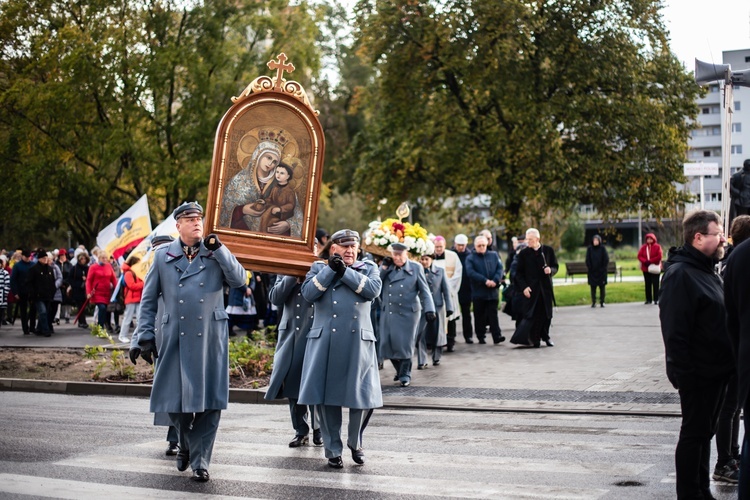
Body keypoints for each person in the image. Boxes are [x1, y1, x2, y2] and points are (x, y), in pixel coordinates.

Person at [129, 201, 245, 482]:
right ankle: (185, 442)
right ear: (177, 225)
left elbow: (239, 280)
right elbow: (148, 302)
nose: (196, 222)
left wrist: (220, 249)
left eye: (198, 218)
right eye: (189, 219)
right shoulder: (161, 257)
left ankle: (201, 461)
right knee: (174, 401)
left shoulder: (216, 252)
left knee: (211, 403)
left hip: (210, 339)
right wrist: (144, 334)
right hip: (175, 337)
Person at [659, 209, 733, 499]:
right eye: (718, 235)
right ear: (698, 237)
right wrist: (684, 375)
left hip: (716, 372)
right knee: (693, 436)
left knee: (704, 435)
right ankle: (690, 493)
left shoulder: (704, 270)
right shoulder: (680, 274)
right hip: (698, 374)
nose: (723, 240)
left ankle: (702, 490)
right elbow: (675, 332)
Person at [297, 229, 383, 468]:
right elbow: (309, 294)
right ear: (333, 248)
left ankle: (355, 443)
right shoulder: (318, 268)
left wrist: (344, 272)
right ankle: (333, 449)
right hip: (326, 342)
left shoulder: (368, 268)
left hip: (358, 342)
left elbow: (372, 291)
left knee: (362, 396)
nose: (350, 250)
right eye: (344, 246)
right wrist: (330, 270)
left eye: (353, 246)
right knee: (327, 399)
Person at [265, 273, 322, 448]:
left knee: (314, 382)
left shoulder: (320, 268)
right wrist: (291, 278)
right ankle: (300, 430)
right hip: (290, 334)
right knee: (292, 382)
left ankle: (319, 428)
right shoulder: (284, 271)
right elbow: (275, 298)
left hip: (314, 330)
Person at [219, 130, 303, 237]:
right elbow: (223, 209)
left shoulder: (282, 184)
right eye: (268, 157)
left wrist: (287, 224)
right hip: (242, 236)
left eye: (274, 162)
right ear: (258, 155)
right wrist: (242, 210)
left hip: (272, 237)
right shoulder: (238, 181)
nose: (270, 164)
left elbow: (298, 215)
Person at [718, 215, 750, 487]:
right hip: (732, 350)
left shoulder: (731, 260)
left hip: (735, 347)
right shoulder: (735, 262)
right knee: (730, 408)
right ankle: (725, 459)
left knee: (734, 407)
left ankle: (733, 455)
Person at [378, 242, 435, 387]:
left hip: (408, 314)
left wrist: (430, 309)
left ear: (406, 254)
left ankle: (405, 374)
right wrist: (383, 268)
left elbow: (424, 291)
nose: (397, 258)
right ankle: (400, 370)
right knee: (387, 345)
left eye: (400, 255)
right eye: (394, 254)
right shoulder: (387, 268)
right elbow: (375, 284)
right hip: (390, 312)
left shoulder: (416, 268)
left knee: (405, 345)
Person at [515, 228, 558, 348]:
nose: (527, 242)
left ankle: (546, 336)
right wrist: (524, 287)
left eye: (530, 239)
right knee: (534, 315)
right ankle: (535, 338)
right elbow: (518, 274)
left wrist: (551, 270)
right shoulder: (524, 254)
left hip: (545, 288)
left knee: (546, 314)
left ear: (537, 239)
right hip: (531, 289)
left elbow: (555, 266)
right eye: (527, 239)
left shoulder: (548, 251)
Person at [464, 235, 505, 345]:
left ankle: (497, 336)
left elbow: (500, 269)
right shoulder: (470, 258)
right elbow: (471, 272)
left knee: (493, 315)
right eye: (479, 245)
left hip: (492, 291)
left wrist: (495, 280)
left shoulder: (494, 255)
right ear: (475, 246)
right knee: (479, 315)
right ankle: (480, 335)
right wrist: (485, 281)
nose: (481, 247)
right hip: (479, 291)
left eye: (483, 245)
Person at [417, 253, 453, 367]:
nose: (424, 261)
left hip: (438, 307)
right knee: (420, 334)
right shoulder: (417, 271)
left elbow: (446, 291)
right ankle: (422, 360)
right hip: (422, 307)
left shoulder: (440, 271)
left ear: (432, 260)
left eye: (426, 259)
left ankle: (436, 357)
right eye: (422, 259)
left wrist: (449, 307)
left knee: (438, 333)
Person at [433, 236, 462, 352]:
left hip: (449, 292)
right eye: (436, 247)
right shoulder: (429, 257)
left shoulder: (453, 256)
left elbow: (458, 273)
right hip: (435, 294)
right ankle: (435, 341)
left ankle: (450, 341)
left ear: (444, 246)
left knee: (450, 317)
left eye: (440, 247)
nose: (439, 249)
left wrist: (446, 286)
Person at [256, 163, 296, 236]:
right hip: (273, 212)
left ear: (288, 176)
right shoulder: (275, 188)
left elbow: (291, 205)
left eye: (282, 173)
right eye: (277, 172)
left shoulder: (289, 191)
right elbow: (270, 199)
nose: (278, 175)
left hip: (282, 215)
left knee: (267, 218)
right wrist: (264, 201)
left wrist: (280, 209)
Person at [27, 249, 57, 337]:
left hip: (48, 295)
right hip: (38, 296)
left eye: (46, 258)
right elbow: (29, 283)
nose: (45, 259)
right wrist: (32, 294)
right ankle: (46, 330)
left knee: (44, 313)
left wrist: (52, 292)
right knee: (43, 312)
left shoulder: (50, 269)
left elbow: (52, 282)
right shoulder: (34, 269)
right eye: (43, 258)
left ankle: (39, 329)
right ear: (39, 258)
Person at [86, 251, 117, 333]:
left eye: (106, 258)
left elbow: (113, 278)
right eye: (103, 258)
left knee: (106, 310)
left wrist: (116, 288)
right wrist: (88, 292)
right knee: (102, 308)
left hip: (107, 292)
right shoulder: (93, 267)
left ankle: (105, 325)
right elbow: (88, 280)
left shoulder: (109, 266)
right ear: (99, 258)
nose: (105, 259)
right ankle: (100, 327)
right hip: (97, 292)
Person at [452, 234, 474, 343]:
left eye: (463, 245)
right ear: (455, 244)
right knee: (451, 314)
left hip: (466, 287)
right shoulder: (451, 255)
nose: (461, 247)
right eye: (459, 245)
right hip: (453, 287)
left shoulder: (470, 255)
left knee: (466, 313)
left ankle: (468, 335)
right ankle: (452, 335)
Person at [118, 254, 143, 344]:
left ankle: (139, 336)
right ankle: (122, 335)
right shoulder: (128, 273)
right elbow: (132, 286)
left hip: (138, 298)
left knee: (140, 318)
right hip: (131, 298)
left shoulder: (137, 273)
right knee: (128, 318)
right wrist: (143, 284)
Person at [9, 249, 35, 335]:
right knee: (23, 310)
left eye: (29, 257)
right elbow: (13, 280)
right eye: (26, 256)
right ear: (22, 256)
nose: (28, 258)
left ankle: (32, 327)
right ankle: (25, 328)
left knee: (33, 309)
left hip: (31, 291)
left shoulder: (33, 265)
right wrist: (15, 292)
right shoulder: (17, 266)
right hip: (21, 291)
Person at [637, 233, 662, 305]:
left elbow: (659, 256)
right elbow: (639, 256)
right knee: (647, 284)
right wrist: (645, 261)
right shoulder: (643, 247)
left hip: (655, 267)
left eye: (651, 239)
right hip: (646, 268)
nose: (649, 240)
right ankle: (648, 299)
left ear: (654, 239)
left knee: (656, 284)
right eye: (648, 239)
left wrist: (650, 261)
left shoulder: (657, 247)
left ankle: (656, 299)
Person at [585, 234, 609, 308]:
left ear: (599, 241)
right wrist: (590, 267)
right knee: (593, 287)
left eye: (597, 240)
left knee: (602, 287)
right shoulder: (590, 249)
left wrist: (602, 268)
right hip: (592, 271)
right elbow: (587, 259)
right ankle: (593, 302)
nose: (595, 242)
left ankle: (602, 301)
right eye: (594, 240)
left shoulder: (602, 248)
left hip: (601, 272)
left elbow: (606, 259)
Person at [69, 253, 90, 328]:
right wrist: (76, 284)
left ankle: (81, 321)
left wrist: (86, 279)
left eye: (84, 259)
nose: (83, 260)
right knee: (80, 306)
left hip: (86, 290)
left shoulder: (88, 268)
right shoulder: (74, 268)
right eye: (81, 259)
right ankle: (82, 321)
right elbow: (70, 279)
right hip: (78, 290)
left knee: (84, 306)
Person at [0, 255, 8, 327]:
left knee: (1, 311)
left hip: (2, 296)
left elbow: (7, 284)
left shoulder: (5, 273)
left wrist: (5, 293)